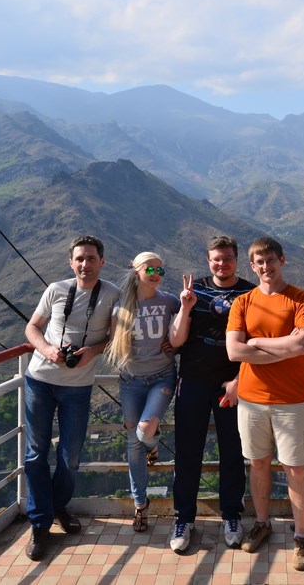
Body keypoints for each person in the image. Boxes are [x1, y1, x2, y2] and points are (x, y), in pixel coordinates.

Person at [22, 235, 120, 561]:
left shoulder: (112, 295)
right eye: (79, 258)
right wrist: (48, 349)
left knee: (71, 456)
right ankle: (40, 523)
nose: (85, 264)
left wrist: (92, 350)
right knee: (36, 454)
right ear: (71, 262)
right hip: (40, 380)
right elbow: (32, 328)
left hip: (78, 386)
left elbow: (115, 337)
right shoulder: (55, 290)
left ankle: (56, 506)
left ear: (102, 261)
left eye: (91, 258)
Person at [225, 237, 304, 571]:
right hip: (251, 401)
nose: (266, 267)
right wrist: (283, 347)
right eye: (260, 262)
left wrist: (256, 343)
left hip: (292, 400)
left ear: (282, 260)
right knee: (259, 464)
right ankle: (262, 523)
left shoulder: (302, 299)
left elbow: (302, 345)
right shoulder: (243, 302)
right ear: (252, 266)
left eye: (271, 260)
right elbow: (234, 351)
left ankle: (302, 536)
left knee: (296, 469)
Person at [167, 236, 255, 553]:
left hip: (232, 384)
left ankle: (232, 516)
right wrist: (185, 307)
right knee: (187, 452)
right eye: (216, 259)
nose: (222, 264)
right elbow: (176, 341)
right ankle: (184, 518)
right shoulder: (195, 290)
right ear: (208, 260)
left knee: (233, 451)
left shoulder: (250, 293)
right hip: (192, 380)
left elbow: (255, 342)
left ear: (236, 260)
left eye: (227, 258)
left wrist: (239, 380)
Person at [106, 252, 182, 535]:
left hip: (162, 376)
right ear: (135, 271)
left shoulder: (170, 302)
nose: (156, 274)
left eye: (160, 270)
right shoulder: (121, 307)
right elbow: (111, 341)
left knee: (144, 430)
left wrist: (176, 345)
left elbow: (185, 328)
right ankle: (140, 504)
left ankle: (153, 442)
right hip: (130, 381)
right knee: (133, 441)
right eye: (150, 269)